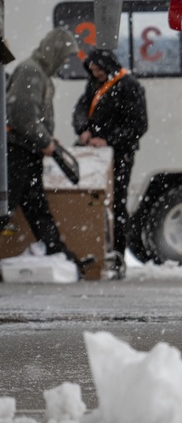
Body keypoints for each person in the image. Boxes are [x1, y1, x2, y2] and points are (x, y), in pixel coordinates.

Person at [4, 28, 94, 275]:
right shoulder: (31, 71)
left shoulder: (40, 74)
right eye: (64, 56)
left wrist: (47, 137)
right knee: (6, 207)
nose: (64, 62)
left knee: (37, 209)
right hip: (18, 153)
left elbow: (32, 117)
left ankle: (61, 256)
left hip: (28, 152)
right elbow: (21, 115)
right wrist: (44, 140)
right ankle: (60, 254)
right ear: (53, 51)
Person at [72, 49, 148, 274]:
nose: (95, 74)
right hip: (93, 153)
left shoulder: (129, 86)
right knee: (91, 201)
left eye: (98, 69)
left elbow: (138, 125)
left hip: (119, 155)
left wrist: (108, 140)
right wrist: (83, 130)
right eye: (92, 70)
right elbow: (81, 109)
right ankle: (92, 249)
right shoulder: (93, 84)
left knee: (116, 203)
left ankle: (117, 255)